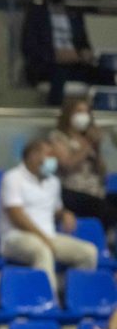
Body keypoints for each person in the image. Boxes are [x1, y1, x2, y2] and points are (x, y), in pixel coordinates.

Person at [0, 138, 97, 292]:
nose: (53, 160)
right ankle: (49, 302)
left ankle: (71, 294)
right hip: (15, 238)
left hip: (49, 237)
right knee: (43, 250)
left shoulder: (53, 182)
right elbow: (17, 216)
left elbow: (56, 209)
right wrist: (42, 238)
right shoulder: (13, 178)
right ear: (33, 155)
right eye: (49, 155)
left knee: (89, 253)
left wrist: (64, 214)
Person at [21, 0, 115, 105]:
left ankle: (105, 112)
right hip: (47, 64)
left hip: (75, 63)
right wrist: (56, 55)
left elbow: (83, 42)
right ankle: (57, 114)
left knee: (107, 75)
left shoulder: (74, 12)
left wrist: (85, 53)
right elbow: (30, 47)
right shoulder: (37, 11)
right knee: (59, 74)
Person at [49, 98, 117, 231]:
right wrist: (87, 144)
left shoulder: (90, 139)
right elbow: (67, 165)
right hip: (70, 191)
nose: (83, 115)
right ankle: (105, 242)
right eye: (79, 111)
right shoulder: (58, 137)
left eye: (86, 111)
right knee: (103, 208)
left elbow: (102, 172)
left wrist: (96, 149)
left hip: (94, 191)